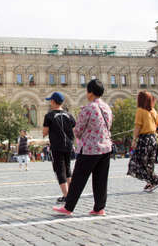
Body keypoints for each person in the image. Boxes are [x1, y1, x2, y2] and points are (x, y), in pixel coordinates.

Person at [53, 79, 112, 216]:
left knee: (78, 179)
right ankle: (99, 208)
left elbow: (78, 130)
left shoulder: (88, 108)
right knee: (101, 180)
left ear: (90, 93)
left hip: (90, 149)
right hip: (106, 148)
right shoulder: (107, 107)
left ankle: (68, 207)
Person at [43, 91, 76, 203]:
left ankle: (66, 196)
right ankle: (71, 194)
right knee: (67, 169)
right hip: (68, 145)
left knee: (59, 170)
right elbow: (74, 129)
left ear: (53, 101)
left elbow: (44, 132)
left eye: (50, 101)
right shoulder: (69, 115)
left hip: (57, 146)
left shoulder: (49, 115)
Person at [127, 91, 158, 193]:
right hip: (153, 139)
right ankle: (150, 182)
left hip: (145, 139)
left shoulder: (140, 111)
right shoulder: (153, 111)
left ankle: (155, 179)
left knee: (137, 162)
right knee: (149, 163)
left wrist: (134, 140)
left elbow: (137, 127)